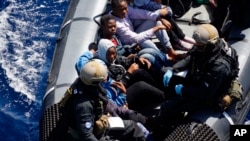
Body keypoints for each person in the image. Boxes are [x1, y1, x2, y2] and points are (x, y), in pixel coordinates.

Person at [151, 24, 240, 140]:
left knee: (167, 107)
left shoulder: (220, 66)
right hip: (200, 81)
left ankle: (161, 132)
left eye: (199, 46)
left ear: (210, 43)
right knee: (166, 74)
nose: (196, 47)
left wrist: (183, 90)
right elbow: (191, 57)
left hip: (209, 97)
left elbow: (206, 93)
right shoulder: (204, 47)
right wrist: (173, 69)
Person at [66, 59, 151, 141]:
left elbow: (107, 104)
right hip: (97, 132)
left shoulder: (86, 84)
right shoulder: (84, 105)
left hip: (99, 120)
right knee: (132, 127)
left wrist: (126, 112)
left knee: (133, 123)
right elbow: (86, 135)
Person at [110, 0, 186, 61]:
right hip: (132, 43)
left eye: (125, 8)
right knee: (148, 41)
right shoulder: (116, 23)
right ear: (114, 10)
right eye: (121, 10)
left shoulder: (124, 9)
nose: (124, 11)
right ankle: (165, 58)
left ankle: (171, 51)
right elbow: (136, 38)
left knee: (156, 21)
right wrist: (157, 28)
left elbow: (142, 13)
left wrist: (159, 18)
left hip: (135, 34)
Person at [130, 0, 196, 51]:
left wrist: (163, 7)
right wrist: (159, 13)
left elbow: (150, 5)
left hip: (143, 21)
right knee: (157, 19)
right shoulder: (125, 6)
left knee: (163, 13)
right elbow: (141, 15)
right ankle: (176, 42)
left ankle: (181, 36)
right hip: (135, 32)